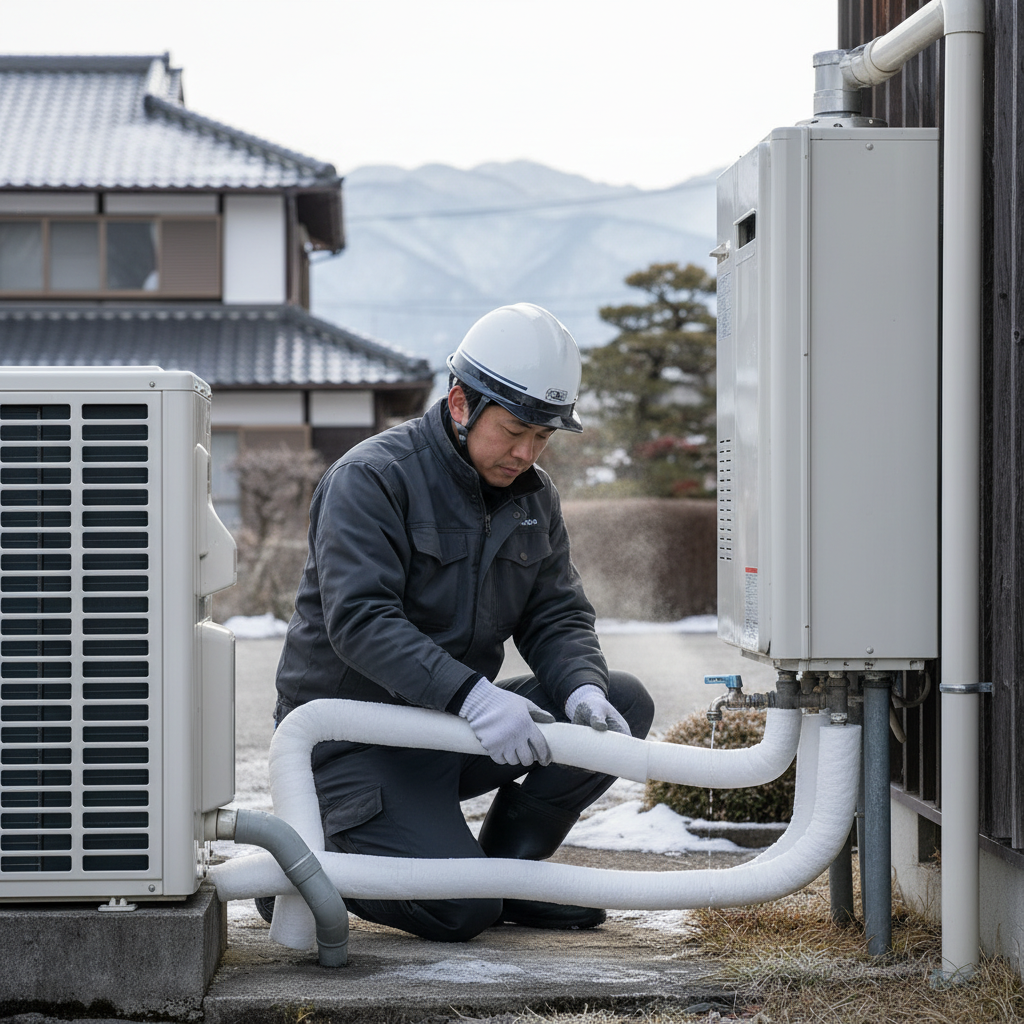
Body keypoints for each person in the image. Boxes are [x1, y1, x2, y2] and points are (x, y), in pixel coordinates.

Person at [264, 302, 654, 942]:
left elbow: (555, 612)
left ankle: (508, 878)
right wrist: (471, 695)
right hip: (352, 746)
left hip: (452, 731)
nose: (526, 453)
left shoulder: (533, 496)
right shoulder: (372, 478)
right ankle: (307, 874)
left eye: (543, 437)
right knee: (459, 912)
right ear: (458, 404)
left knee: (620, 700)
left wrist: (581, 684)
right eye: (512, 431)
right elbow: (360, 620)